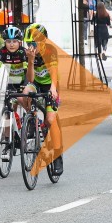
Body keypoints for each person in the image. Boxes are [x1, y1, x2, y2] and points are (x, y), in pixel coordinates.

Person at [23, 23, 63, 176]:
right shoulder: (29, 54)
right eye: (29, 44)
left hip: (51, 86)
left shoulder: (50, 51)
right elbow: (30, 79)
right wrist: (31, 61)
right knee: (26, 91)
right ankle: (32, 120)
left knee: (51, 120)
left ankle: (58, 157)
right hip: (37, 84)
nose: (31, 47)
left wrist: (53, 88)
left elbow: (53, 73)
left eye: (33, 44)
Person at [0, 26, 28, 159]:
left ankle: (31, 120)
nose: (11, 44)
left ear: (19, 42)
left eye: (14, 41)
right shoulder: (2, 52)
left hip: (24, 80)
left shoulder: (23, 52)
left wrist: (25, 87)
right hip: (13, 80)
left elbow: (27, 72)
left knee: (21, 99)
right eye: (8, 41)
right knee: (8, 110)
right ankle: (8, 143)